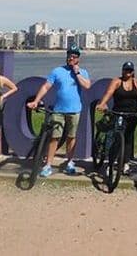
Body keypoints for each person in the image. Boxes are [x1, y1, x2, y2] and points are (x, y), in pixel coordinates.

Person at [26, 46, 91, 177]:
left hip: (75, 110)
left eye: (74, 56)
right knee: (54, 137)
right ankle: (48, 165)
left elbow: (87, 86)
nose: (71, 58)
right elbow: (46, 86)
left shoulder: (83, 72)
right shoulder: (57, 71)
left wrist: (77, 73)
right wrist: (36, 100)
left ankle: (69, 162)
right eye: (69, 55)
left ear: (78, 58)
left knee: (71, 137)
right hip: (58, 110)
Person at [96, 61, 137, 174]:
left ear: (133, 72)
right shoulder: (117, 81)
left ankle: (125, 163)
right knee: (117, 139)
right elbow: (108, 93)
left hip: (132, 115)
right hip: (118, 113)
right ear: (122, 71)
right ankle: (111, 163)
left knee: (128, 139)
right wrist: (102, 103)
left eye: (129, 71)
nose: (127, 73)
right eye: (125, 70)